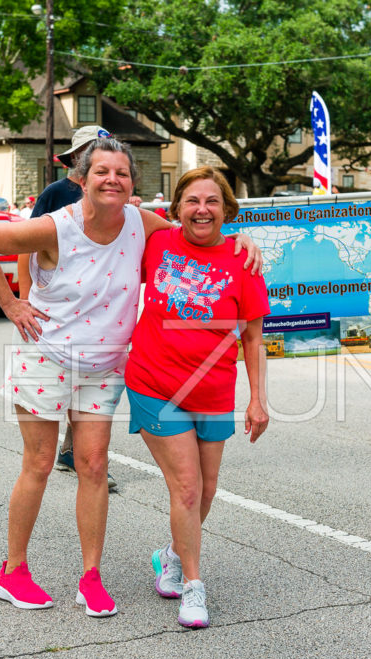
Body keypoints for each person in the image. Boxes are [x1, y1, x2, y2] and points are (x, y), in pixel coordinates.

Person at [0, 136, 260, 617]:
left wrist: (242, 239)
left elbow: (198, 231)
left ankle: (91, 577)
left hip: (105, 365)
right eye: (102, 172)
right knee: (40, 463)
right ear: (82, 179)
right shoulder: (55, 226)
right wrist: (13, 302)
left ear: (132, 184)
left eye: (122, 173)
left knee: (95, 467)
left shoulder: (140, 224)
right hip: (46, 357)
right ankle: (13, 571)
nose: (113, 180)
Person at [128, 167, 269, 629]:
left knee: (206, 490)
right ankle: (192, 585)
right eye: (192, 200)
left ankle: (169, 553)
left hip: (213, 388)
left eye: (212, 201)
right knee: (187, 487)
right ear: (177, 208)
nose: (201, 209)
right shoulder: (158, 239)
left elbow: (252, 338)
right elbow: (111, 206)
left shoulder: (244, 262)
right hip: (153, 382)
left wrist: (257, 400)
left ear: (226, 209)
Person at [22, 125, 115, 485]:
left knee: (89, 388)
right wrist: (23, 301)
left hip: (100, 312)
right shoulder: (56, 193)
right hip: (55, 311)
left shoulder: (115, 194)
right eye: (92, 151)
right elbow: (26, 246)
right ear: (76, 158)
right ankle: (63, 455)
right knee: (58, 392)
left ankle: (74, 454)